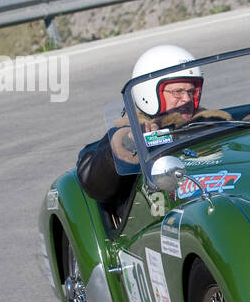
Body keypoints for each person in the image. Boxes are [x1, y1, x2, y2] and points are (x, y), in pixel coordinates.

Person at [77, 44, 227, 209]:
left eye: (191, 92)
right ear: (149, 93)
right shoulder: (126, 135)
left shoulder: (211, 122)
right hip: (160, 214)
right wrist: (129, 145)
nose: (187, 99)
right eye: (178, 92)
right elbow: (95, 185)